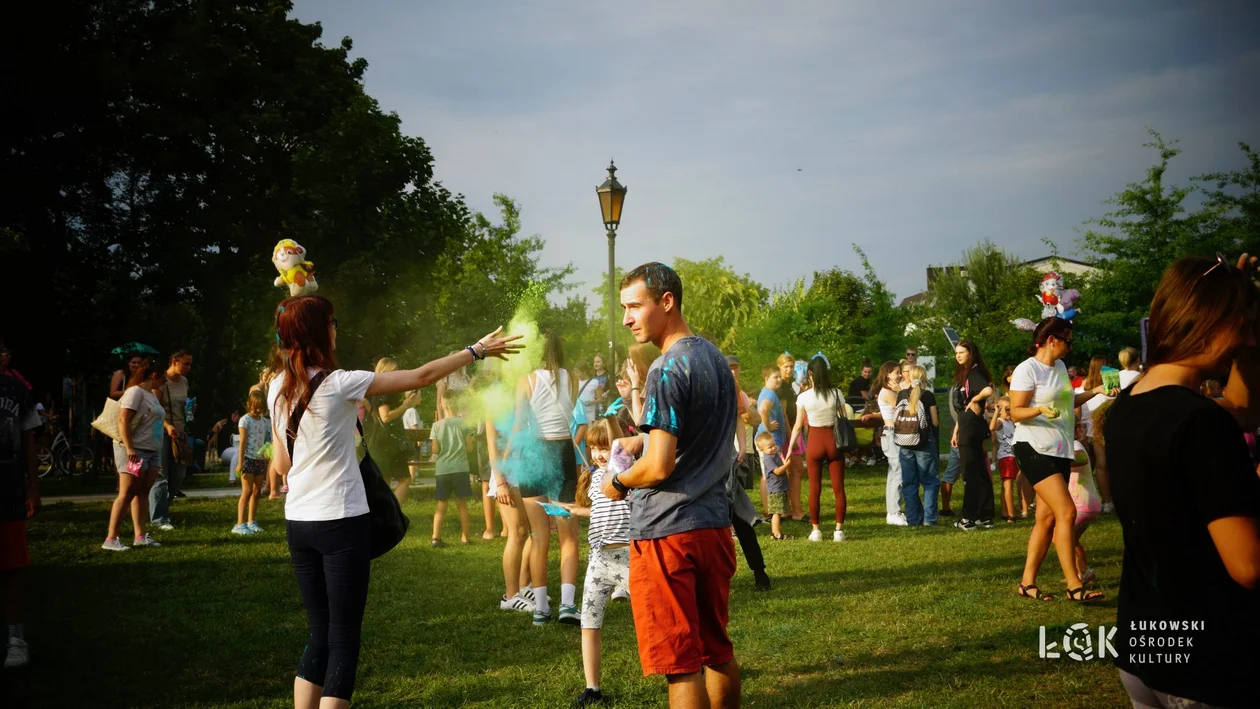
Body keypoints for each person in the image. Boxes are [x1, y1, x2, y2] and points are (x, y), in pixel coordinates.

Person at [267, 295, 520, 708]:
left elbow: (280, 464)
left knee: (319, 633)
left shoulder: (277, 387)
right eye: (332, 322)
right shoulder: (339, 382)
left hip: (299, 523)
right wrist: (475, 351)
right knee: (344, 637)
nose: (336, 329)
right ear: (318, 332)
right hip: (340, 520)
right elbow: (422, 377)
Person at [1104, 255, 1260, 708]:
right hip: (1208, 659)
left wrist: (1250, 347)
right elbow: (1249, 566)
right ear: (1210, 321)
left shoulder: (1129, 406)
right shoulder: (1200, 423)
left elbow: (1243, 409)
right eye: (1243, 326)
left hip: (1145, 642)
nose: (1247, 339)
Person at [601, 262, 740, 709]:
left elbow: (658, 467)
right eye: (623, 307)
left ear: (666, 302)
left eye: (634, 306)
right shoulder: (715, 358)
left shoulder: (664, 369)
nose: (626, 318)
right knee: (717, 650)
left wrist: (617, 481)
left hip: (668, 534)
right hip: (714, 526)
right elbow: (688, 434)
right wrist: (639, 437)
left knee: (681, 664)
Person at [1009, 317, 1112, 601]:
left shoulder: (1061, 368)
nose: (1071, 347)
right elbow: (1015, 412)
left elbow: (1068, 402)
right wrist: (1040, 409)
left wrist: (1097, 391)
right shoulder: (1027, 369)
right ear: (1052, 340)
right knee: (1067, 512)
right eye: (1068, 340)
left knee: (1046, 518)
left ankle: (1027, 583)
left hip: (1060, 449)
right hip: (1032, 447)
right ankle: (1074, 585)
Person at [506, 331, 581, 626]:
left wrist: (503, 463)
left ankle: (540, 609)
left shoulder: (525, 380)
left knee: (539, 537)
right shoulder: (572, 378)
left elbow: (518, 424)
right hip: (562, 451)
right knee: (569, 537)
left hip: (534, 453)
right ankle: (567, 605)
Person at [560, 419, 630, 708]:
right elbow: (594, 511)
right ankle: (592, 688)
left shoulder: (624, 473)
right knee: (589, 624)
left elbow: (619, 449)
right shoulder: (593, 479)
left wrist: (612, 422)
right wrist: (568, 509)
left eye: (603, 448)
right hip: (598, 560)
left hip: (630, 558)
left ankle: (686, 666)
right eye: (592, 449)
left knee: (657, 617)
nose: (599, 454)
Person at [786, 356, 853, 542]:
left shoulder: (803, 397)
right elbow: (842, 416)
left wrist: (791, 447)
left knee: (815, 488)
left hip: (815, 442)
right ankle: (839, 530)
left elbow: (798, 425)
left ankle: (816, 530)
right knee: (838, 488)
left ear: (810, 374)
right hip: (834, 441)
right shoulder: (837, 393)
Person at [102, 359, 166, 551]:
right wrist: (130, 448)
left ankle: (140, 536)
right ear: (155, 375)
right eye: (163, 376)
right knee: (127, 493)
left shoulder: (152, 395)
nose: (164, 379)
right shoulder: (135, 392)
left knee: (143, 492)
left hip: (152, 450)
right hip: (134, 450)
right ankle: (111, 538)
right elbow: (123, 419)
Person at [0, 366, 41, 668]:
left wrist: (33, 487)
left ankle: (16, 639)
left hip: (8, 488)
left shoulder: (16, 390)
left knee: (13, 564)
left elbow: (28, 438)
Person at [363, 357, 422, 504]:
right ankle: (392, 513)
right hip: (388, 444)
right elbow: (386, 417)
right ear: (387, 371)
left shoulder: (376, 389)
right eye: (395, 370)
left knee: (385, 483)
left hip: (381, 442)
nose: (397, 374)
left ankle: (385, 517)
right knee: (404, 479)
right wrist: (405, 405)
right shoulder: (386, 391)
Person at [949, 341, 994, 531]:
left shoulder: (975, 372)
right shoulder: (966, 373)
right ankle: (985, 516)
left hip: (972, 426)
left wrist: (976, 399)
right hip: (967, 425)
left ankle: (968, 518)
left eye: (962, 352)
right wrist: (956, 430)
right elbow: (963, 407)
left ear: (971, 353)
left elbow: (988, 390)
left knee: (970, 472)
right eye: (956, 352)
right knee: (980, 472)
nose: (958, 356)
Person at [150, 348, 192, 530]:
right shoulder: (160, 382)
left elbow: (183, 406)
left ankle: (160, 509)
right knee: (161, 475)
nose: (189, 367)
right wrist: (167, 426)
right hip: (161, 433)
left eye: (190, 364)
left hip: (180, 433)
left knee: (179, 474)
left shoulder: (184, 381)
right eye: (186, 363)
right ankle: (159, 519)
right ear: (174, 361)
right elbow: (153, 410)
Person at [896, 364, 939, 527]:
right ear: (924, 379)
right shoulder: (928, 396)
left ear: (908, 377)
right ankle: (929, 519)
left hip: (905, 442)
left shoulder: (901, 394)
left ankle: (913, 519)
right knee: (929, 481)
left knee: (909, 482)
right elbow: (935, 422)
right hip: (924, 443)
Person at [429, 391, 473, 547]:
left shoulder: (436, 425)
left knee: (442, 504)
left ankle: (435, 537)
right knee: (462, 504)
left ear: (441, 405)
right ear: (458, 405)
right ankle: (465, 537)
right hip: (460, 468)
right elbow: (469, 448)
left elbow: (434, 449)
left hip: (443, 470)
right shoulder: (464, 424)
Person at [1076, 354, 1114, 514]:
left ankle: (1087, 501)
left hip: (1088, 432)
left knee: (1089, 469)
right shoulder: (1108, 386)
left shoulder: (1082, 389)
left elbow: (1078, 414)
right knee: (1102, 467)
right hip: (1099, 433)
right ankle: (1107, 502)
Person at [872, 361, 908, 526]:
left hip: (893, 433)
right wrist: (902, 389)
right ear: (887, 374)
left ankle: (893, 511)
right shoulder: (887, 392)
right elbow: (906, 405)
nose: (900, 375)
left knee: (894, 473)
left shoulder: (889, 391)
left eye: (900, 372)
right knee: (898, 471)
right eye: (896, 373)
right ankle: (894, 512)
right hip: (892, 434)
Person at [232, 390, 271, 535]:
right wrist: (240, 463)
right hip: (248, 459)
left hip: (260, 460)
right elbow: (242, 443)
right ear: (249, 405)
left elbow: (267, 440)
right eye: (255, 407)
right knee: (247, 491)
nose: (258, 410)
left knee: (256, 492)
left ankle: (251, 521)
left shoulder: (264, 422)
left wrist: (268, 453)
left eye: (261, 407)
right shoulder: (244, 420)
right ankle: (239, 524)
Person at [1067, 420, 1100, 585]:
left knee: (1061, 537)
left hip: (1083, 505)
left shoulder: (1074, 445)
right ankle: (1083, 572)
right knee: (1071, 539)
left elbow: (1080, 458)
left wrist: (1058, 461)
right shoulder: (1071, 445)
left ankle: (1078, 573)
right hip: (1089, 504)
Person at [774, 353, 806, 521]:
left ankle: (788, 509)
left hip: (793, 431)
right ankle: (796, 510)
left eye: (791, 367)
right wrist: (790, 437)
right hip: (789, 432)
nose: (789, 370)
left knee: (792, 471)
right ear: (779, 367)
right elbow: (784, 414)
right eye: (786, 366)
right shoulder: (782, 388)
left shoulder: (787, 386)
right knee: (796, 469)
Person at [990, 397, 1022, 522]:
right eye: (1007, 409)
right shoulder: (1000, 421)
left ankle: (1005, 512)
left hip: (1012, 456)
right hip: (1006, 457)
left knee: (1006, 487)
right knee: (1008, 486)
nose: (1009, 412)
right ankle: (1011, 515)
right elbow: (992, 427)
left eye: (1011, 409)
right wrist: (997, 412)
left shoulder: (1009, 422)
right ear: (1000, 409)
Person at [755, 433, 791, 540]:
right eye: (770, 447)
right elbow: (778, 471)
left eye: (774, 445)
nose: (773, 448)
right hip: (775, 489)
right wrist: (787, 465)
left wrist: (784, 461)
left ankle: (776, 533)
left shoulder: (774, 455)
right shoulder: (768, 459)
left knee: (778, 511)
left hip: (780, 487)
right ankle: (776, 533)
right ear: (762, 449)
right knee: (776, 512)